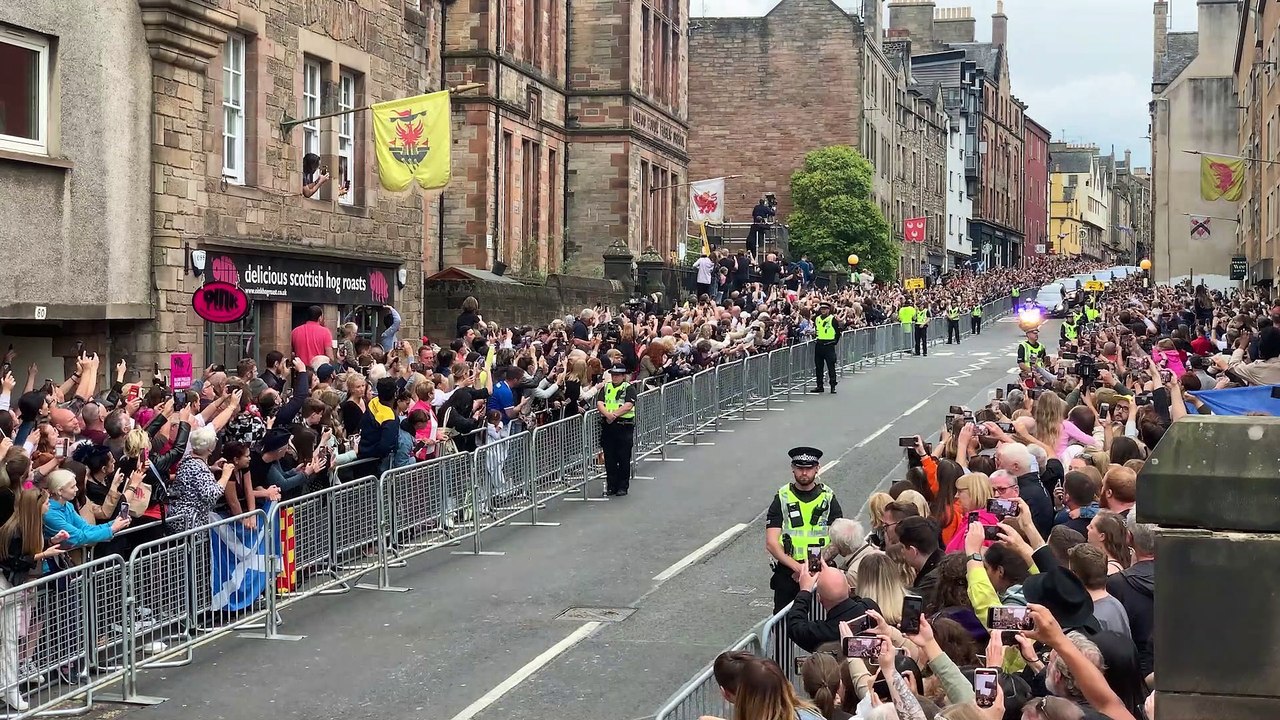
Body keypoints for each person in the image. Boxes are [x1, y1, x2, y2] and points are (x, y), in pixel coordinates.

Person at [0, 489, 71, 712]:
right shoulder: (14, 530)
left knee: (9, 641)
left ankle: (7, 687)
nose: (49, 505)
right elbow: (14, 560)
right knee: (9, 641)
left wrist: (51, 541)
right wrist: (44, 554)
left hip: (13, 587)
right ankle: (9, 689)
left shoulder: (24, 527)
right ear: (36, 505)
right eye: (47, 501)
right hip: (7, 587)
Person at [766, 446, 843, 612]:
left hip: (822, 572)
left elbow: (839, 539)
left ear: (817, 468)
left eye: (808, 468)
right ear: (792, 469)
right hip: (788, 574)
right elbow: (772, 543)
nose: (804, 473)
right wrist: (798, 568)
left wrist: (812, 567)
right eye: (800, 468)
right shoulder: (782, 496)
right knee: (784, 628)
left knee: (820, 623)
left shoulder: (828, 498)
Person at [786, 564, 881, 653]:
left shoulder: (824, 633)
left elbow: (795, 626)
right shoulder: (870, 608)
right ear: (848, 588)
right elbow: (853, 598)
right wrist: (831, 575)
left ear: (819, 598)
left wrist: (805, 590)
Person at [597, 366, 637, 497]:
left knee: (623, 457)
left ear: (623, 376)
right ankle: (611, 486)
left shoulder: (628, 388)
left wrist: (613, 415)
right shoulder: (606, 387)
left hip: (623, 425)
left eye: (617, 375)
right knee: (610, 458)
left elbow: (628, 405)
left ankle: (622, 486)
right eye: (613, 375)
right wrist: (607, 415)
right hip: (608, 426)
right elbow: (600, 403)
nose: (615, 377)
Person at [810, 302, 840, 395]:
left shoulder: (832, 319)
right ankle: (819, 386)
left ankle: (833, 385)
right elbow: (817, 329)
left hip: (829, 345)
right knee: (819, 367)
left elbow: (838, 332)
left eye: (825, 309)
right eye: (822, 309)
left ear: (828, 310)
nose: (823, 311)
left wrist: (834, 342)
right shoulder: (817, 319)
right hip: (819, 344)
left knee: (831, 366)